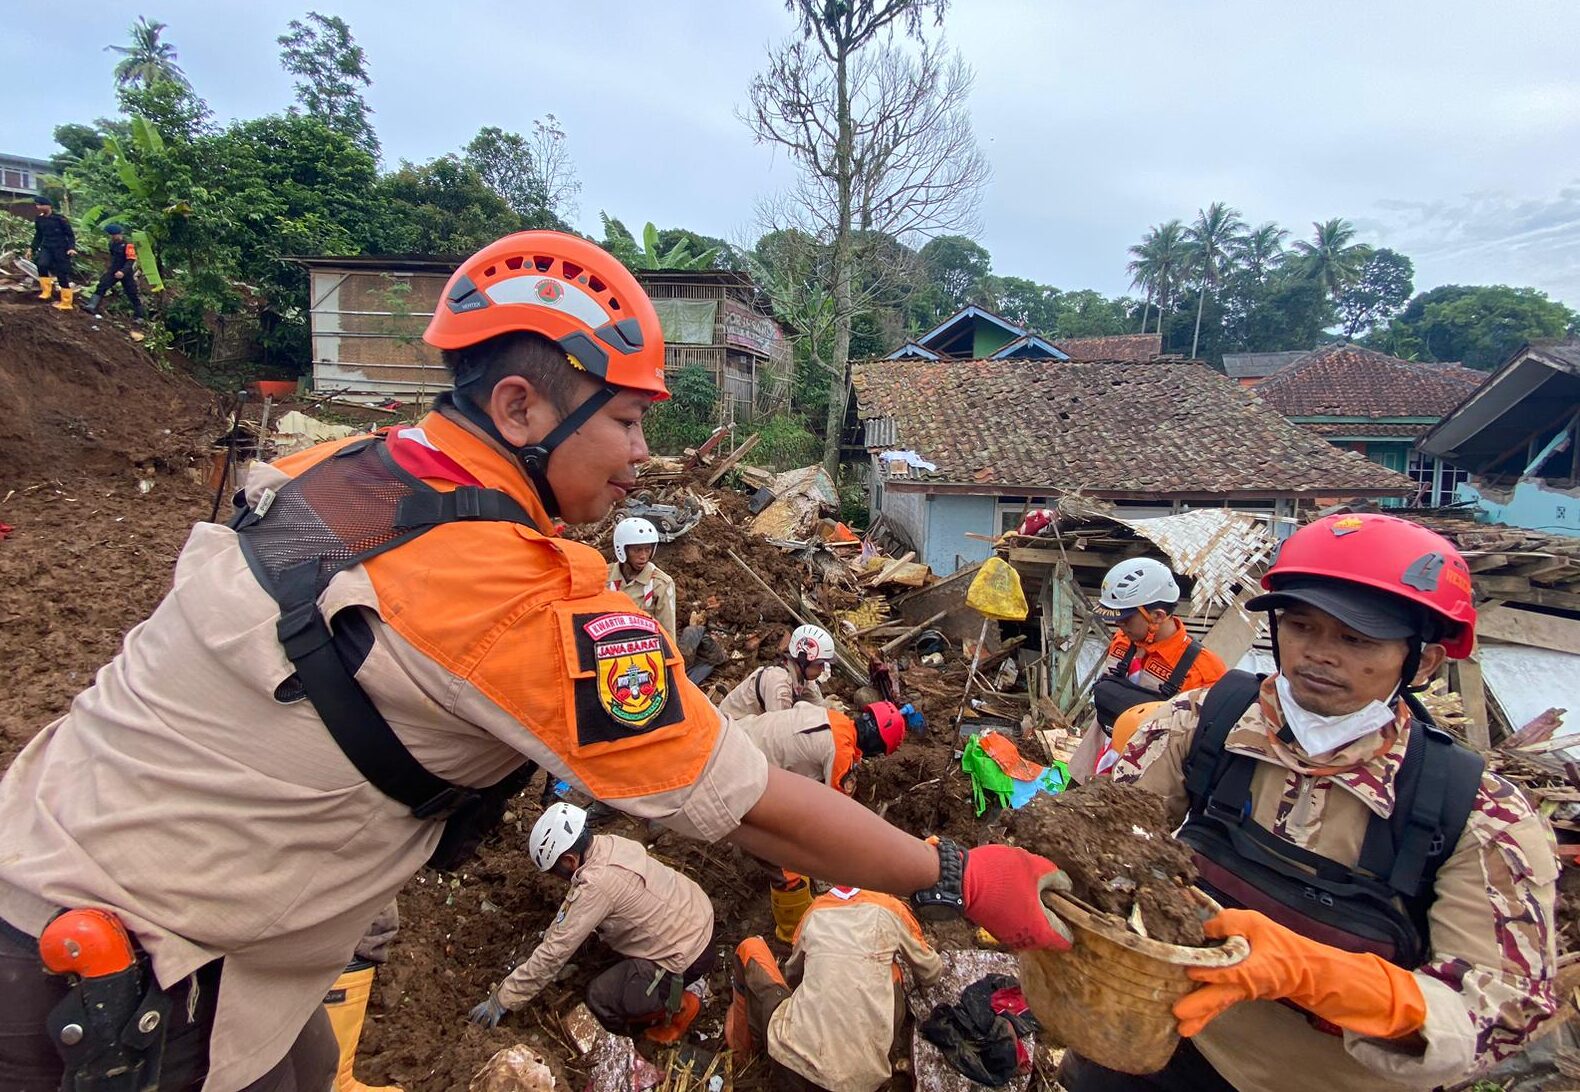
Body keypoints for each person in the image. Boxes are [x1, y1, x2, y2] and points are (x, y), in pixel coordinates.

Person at [0, 231, 1066, 1092]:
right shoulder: (522, 597)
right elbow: (742, 801)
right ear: (520, 408)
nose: (644, 457)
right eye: (631, 422)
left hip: (56, 859)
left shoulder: (328, 468)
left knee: (304, 1058)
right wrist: (956, 875)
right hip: (111, 989)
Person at [1058, 513, 1559, 1092]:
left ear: (1421, 661)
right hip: (1168, 1041)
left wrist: (1315, 975)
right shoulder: (1205, 723)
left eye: (1356, 639)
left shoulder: (1477, 814)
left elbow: (1500, 1010)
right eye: (1302, 627)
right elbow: (1101, 829)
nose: (1319, 654)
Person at [468, 804, 714, 1043]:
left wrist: (502, 1000)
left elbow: (555, 953)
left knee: (600, 997)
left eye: (555, 871)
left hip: (686, 953)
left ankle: (677, 1007)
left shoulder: (596, 886)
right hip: (697, 913)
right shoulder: (609, 844)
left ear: (569, 861)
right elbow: (570, 915)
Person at [727, 887, 944, 1092]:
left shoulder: (814, 912)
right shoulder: (891, 908)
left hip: (790, 1066)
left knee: (749, 948)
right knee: (893, 972)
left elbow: (793, 975)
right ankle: (880, 1053)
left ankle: (740, 1054)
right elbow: (931, 972)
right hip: (862, 1083)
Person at [737, 700, 909, 941]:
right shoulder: (841, 752)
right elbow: (834, 818)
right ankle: (794, 934)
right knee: (789, 864)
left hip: (739, 736)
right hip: (742, 773)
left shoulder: (834, 719)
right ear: (876, 742)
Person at [1077, 557, 1227, 779]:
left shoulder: (1204, 670)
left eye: (1126, 619)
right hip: (1091, 765)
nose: (1119, 625)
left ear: (1157, 615)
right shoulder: (1122, 640)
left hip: (1145, 783)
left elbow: (1203, 747)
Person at [718, 623, 834, 719]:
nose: (823, 668)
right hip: (732, 725)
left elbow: (816, 704)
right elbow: (780, 730)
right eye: (820, 664)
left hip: (752, 724)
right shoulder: (778, 682)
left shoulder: (802, 678)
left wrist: (825, 708)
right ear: (803, 660)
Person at [607, 516, 677, 635]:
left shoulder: (660, 583)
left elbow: (667, 631)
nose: (643, 556)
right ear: (623, 550)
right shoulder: (603, 576)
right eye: (637, 550)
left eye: (647, 549)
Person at [84, 222, 145, 322]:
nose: (112, 237)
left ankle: (140, 316)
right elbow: (113, 258)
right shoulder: (112, 244)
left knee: (132, 293)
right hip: (113, 270)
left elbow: (130, 260)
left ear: (120, 234)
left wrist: (123, 272)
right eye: (111, 235)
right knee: (102, 285)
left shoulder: (128, 245)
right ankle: (92, 305)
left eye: (114, 235)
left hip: (126, 272)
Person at [27, 195, 77, 311]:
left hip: (61, 248)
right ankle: (46, 292)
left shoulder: (60, 219)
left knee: (61, 274)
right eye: (37, 205)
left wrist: (71, 248)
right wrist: (31, 248)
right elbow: (38, 236)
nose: (38, 207)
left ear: (48, 206)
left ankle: (66, 302)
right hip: (47, 247)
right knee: (41, 264)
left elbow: (70, 235)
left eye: (40, 205)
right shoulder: (39, 219)